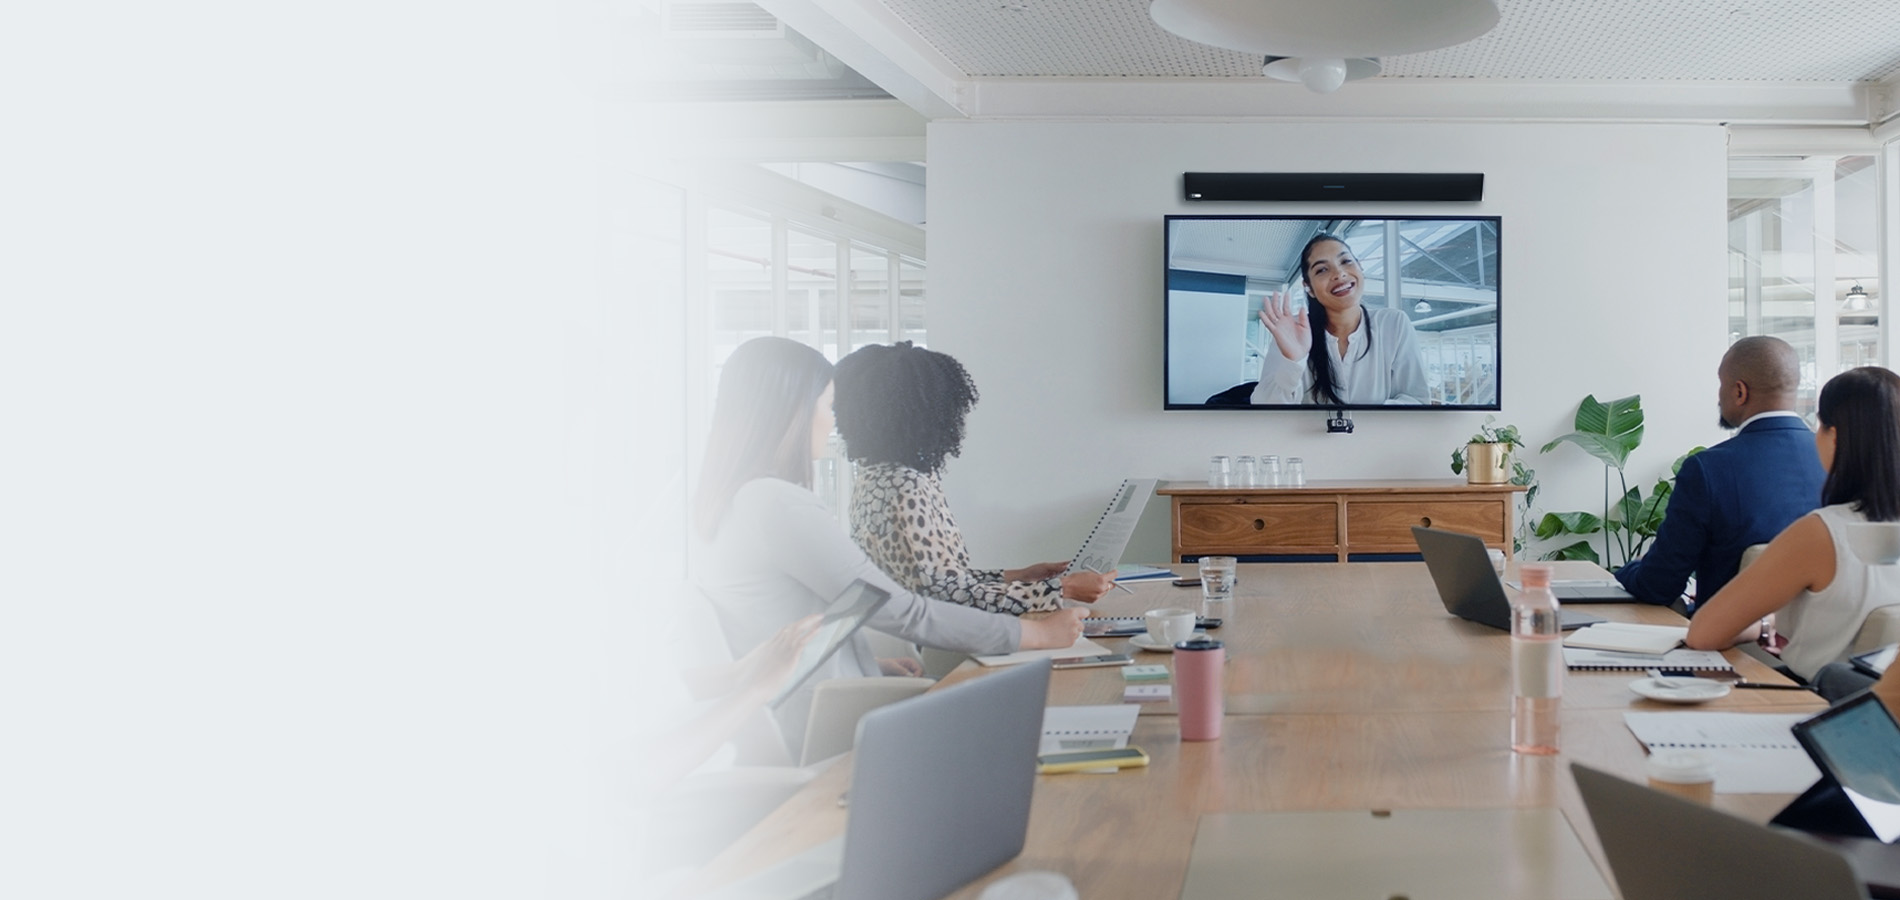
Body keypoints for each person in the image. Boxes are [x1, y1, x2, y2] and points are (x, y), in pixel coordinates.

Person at [692, 337, 1088, 747]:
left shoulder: (733, 501)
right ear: (793, 411)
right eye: (827, 407)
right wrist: (1035, 635)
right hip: (823, 723)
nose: (832, 423)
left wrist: (866, 662)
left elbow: (777, 624)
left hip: (804, 707)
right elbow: (903, 611)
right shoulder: (776, 504)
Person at [832, 342, 1117, 615]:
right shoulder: (904, 486)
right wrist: (1061, 588)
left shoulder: (881, 476)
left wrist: (1020, 576)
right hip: (942, 643)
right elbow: (949, 598)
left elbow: (942, 578)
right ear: (930, 414)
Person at [1685, 367, 1900, 681]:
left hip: (1811, 707)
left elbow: (1703, 634)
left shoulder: (1822, 533)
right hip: (1880, 717)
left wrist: (1758, 625)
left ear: (1835, 437)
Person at [1616, 336, 1826, 609]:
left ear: (1740, 392)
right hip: (1817, 642)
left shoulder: (1707, 470)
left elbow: (1658, 586)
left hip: (1727, 642)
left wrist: (1628, 570)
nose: (1718, 395)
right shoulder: (1840, 461)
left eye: (1721, 385)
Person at [1250, 232, 1429, 406]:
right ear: (1309, 288)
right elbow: (1265, 410)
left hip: (1379, 437)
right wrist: (1293, 362)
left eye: (1346, 261)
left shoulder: (1393, 324)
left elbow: (1416, 400)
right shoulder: (1292, 331)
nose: (1339, 273)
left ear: (1360, 267)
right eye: (1322, 270)